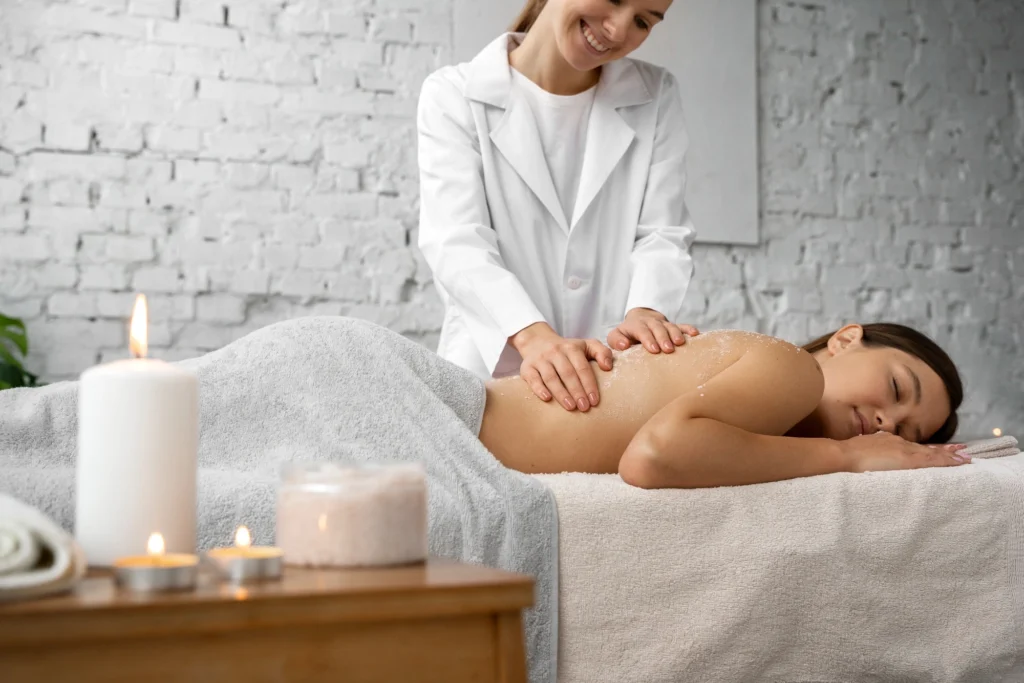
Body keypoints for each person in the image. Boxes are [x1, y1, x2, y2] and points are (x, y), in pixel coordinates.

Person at [417, 0, 698, 416]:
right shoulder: (453, 95)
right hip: (491, 378)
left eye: (643, 21)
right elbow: (456, 243)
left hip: (612, 379)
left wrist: (646, 310)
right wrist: (533, 338)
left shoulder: (655, 95)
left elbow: (663, 231)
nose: (619, 31)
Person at [480, 322, 968, 488]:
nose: (888, 421)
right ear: (845, 339)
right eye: (898, 389)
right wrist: (849, 456)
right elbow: (654, 457)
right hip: (443, 421)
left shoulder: (767, 440)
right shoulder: (793, 370)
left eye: (905, 435)